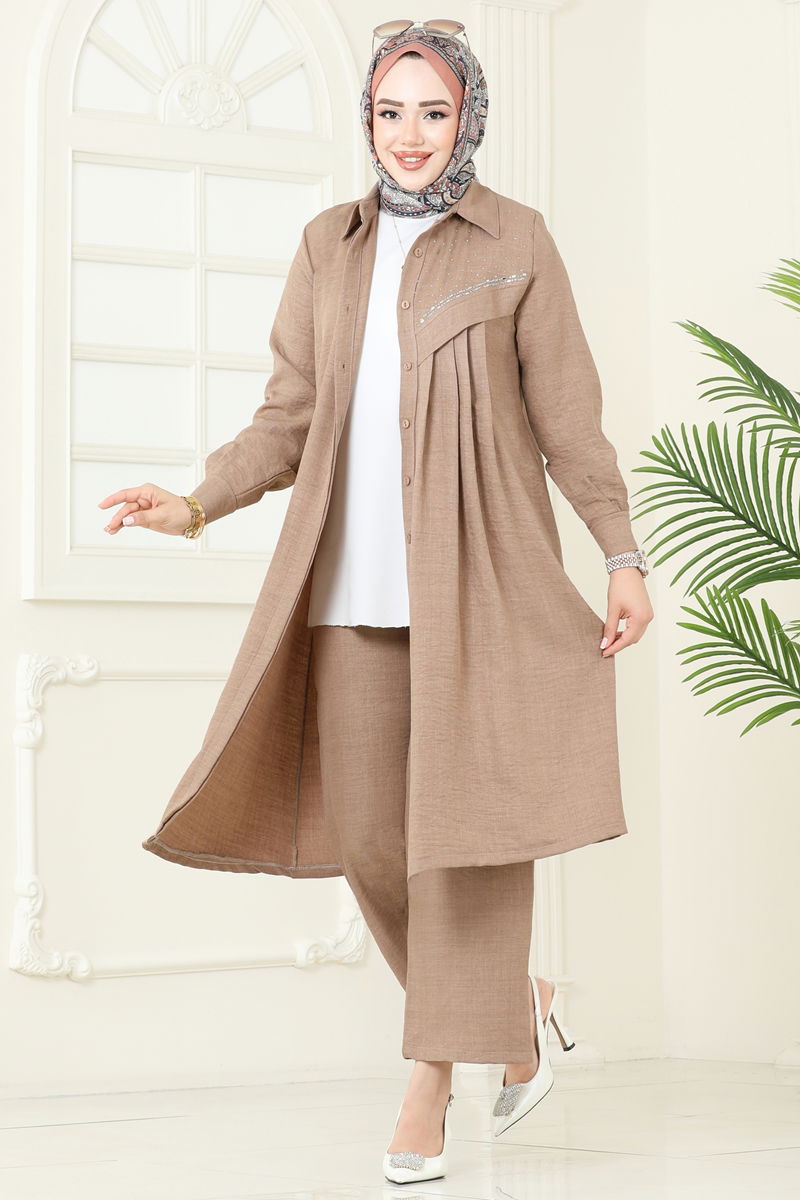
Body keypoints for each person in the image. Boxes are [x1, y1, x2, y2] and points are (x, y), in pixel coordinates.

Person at [98, 18, 654, 1186]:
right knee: (368, 836)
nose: (409, 135)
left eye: (432, 112)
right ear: (367, 118)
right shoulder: (328, 247)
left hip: (479, 589)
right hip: (349, 592)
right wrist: (194, 502)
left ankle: (428, 1081)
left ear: (468, 119)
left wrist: (619, 553)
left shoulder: (516, 240)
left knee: (469, 834)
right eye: (390, 112)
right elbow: (288, 417)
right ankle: (516, 1007)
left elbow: (568, 416)